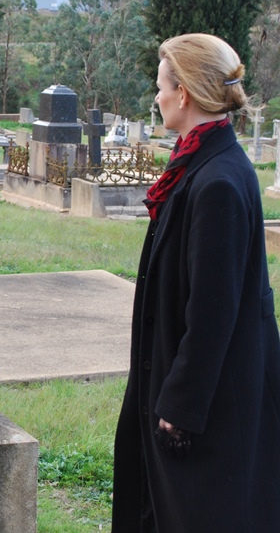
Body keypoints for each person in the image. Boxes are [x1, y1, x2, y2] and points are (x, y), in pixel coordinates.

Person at [111, 33, 280, 533]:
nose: (156, 96)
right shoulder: (203, 165)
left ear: (183, 92)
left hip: (212, 404)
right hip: (194, 385)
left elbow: (214, 309)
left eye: (160, 85)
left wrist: (180, 409)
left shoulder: (219, 182)